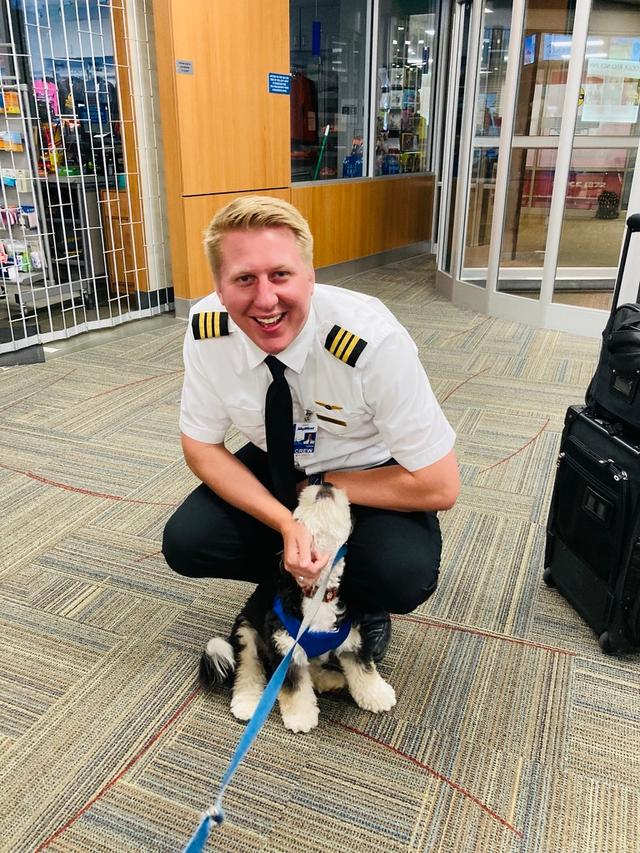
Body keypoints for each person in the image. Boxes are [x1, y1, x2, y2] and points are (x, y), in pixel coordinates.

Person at [163, 196, 460, 661]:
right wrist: (285, 523)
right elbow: (200, 445)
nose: (265, 300)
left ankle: (360, 605)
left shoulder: (371, 341)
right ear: (220, 289)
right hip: (278, 463)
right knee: (188, 543)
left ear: (310, 275)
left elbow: (440, 485)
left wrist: (324, 487)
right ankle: (286, 586)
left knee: (400, 574)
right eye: (244, 279)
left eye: (280, 275)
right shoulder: (208, 333)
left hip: (367, 474)